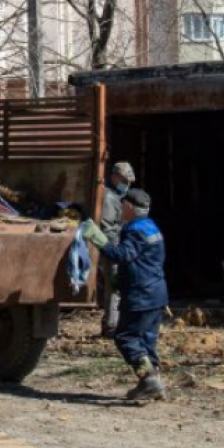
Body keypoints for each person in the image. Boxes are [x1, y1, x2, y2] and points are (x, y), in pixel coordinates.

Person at [81, 188, 168, 401]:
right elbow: (145, 261)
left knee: (125, 336)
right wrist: (121, 280)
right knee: (147, 341)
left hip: (141, 295)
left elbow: (122, 255)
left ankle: (148, 379)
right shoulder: (151, 226)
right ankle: (153, 384)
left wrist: (98, 238)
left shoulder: (135, 229)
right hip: (156, 293)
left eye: (123, 205)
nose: (120, 209)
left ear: (129, 206)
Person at [100, 162, 136, 336]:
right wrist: (118, 250)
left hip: (120, 247)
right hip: (113, 248)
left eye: (128, 181)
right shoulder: (108, 197)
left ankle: (114, 322)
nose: (126, 184)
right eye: (123, 180)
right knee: (114, 286)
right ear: (114, 177)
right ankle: (111, 325)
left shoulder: (120, 195)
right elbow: (107, 228)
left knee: (118, 286)